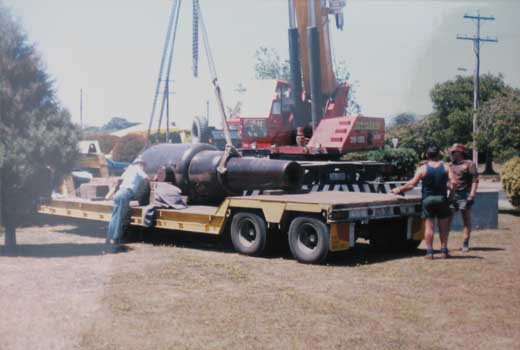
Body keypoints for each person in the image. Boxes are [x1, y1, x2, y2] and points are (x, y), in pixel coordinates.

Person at [391, 146, 457, 259]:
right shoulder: (446, 167)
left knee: (429, 227)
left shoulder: (422, 168)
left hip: (428, 200)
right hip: (442, 200)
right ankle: (444, 251)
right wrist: (451, 195)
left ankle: (430, 252)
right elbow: (454, 183)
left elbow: (412, 184)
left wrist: (399, 189)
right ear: (438, 155)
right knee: (443, 228)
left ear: (427, 155)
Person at [105, 156, 149, 246]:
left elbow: (119, 180)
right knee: (120, 217)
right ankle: (115, 239)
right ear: (140, 164)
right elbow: (146, 178)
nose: (144, 167)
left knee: (114, 216)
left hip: (118, 193)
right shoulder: (138, 169)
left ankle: (108, 238)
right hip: (126, 194)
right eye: (143, 165)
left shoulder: (129, 169)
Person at [449, 143, 479, 252]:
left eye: (454, 152)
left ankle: (465, 243)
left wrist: (472, 195)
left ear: (460, 152)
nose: (453, 154)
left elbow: (475, 180)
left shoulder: (469, 164)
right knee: (448, 219)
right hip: (453, 195)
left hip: (465, 195)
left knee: (466, 219)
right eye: (452, 152)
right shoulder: (450, 165)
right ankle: (444, 245)